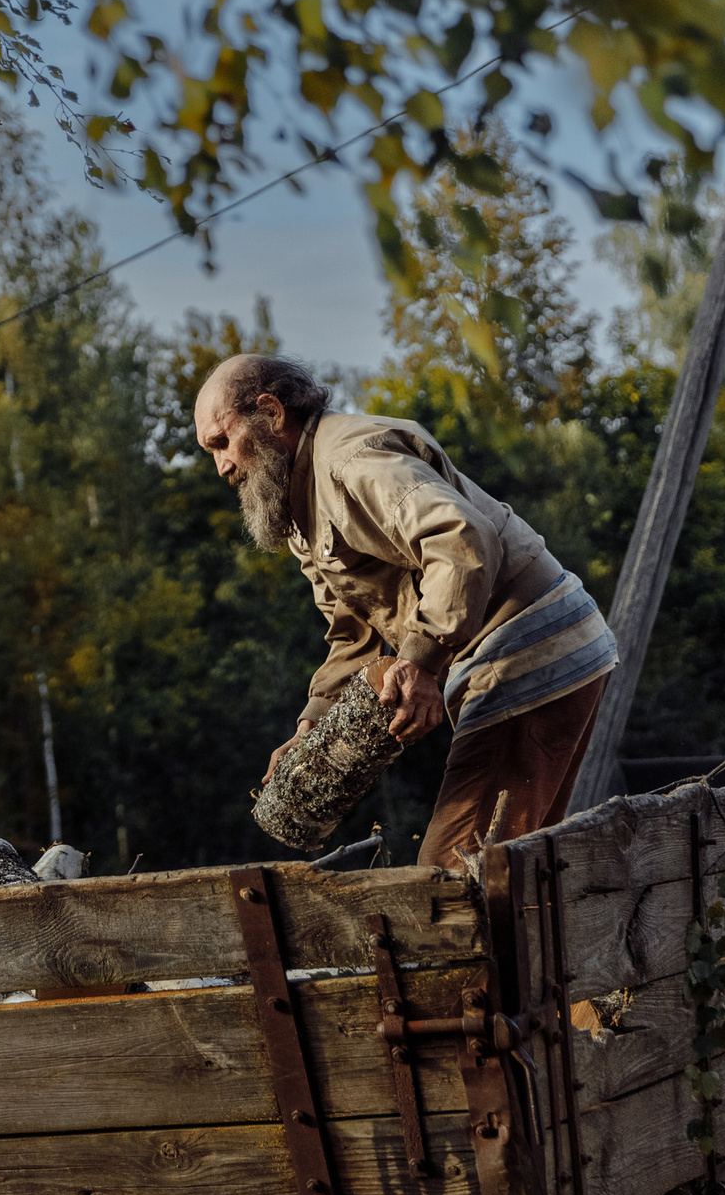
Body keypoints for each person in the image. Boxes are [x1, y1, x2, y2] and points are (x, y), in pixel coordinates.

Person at [194, 351, 619, 871]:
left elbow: (461, 538)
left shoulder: (350, 460)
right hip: (542, 649)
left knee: (447, 881)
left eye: (221, 442)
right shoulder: (303, 507)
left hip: (527, 651)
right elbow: (355, 639)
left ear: (271, 413)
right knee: (517, 875)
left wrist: (420, 662)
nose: (222, 467)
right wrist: (310, 731)